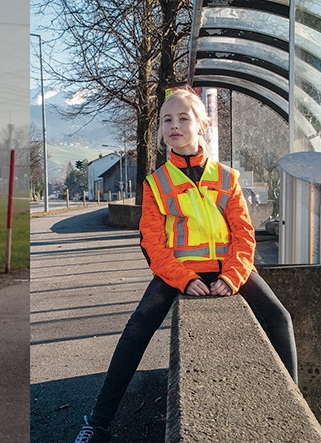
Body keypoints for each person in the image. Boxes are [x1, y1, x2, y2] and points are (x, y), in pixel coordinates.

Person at [73, 88, 297, 443]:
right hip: (178, 272)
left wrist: (234, 274)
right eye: (166, 120)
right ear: (160, 130)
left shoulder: (227, 178)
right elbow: (152, 243)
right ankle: (97, 422)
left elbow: (244, 234)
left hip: (228, 268)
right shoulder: (156, 183)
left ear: (202, 125)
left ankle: (291, 410)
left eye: (183, 118)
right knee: (136, 331)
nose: (174, 126)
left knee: (279, 317)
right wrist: (182, 277)